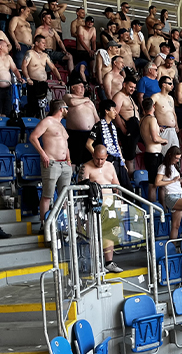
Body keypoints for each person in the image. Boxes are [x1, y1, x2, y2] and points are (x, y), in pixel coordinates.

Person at [77, 145, 123, 273]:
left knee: (110, 234)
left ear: (106, 157)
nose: (99, 162)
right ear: (93, 156)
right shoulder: (85, 167)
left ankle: (109, 262)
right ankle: (97, 263)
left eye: (102, 159)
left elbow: (116, 185)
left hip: (110, 205)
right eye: (97, 159)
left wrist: (120, 199)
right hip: (94, 207)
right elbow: (81, 189)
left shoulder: (110, 166)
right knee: (95, 236)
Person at [29, 100, 71, 236]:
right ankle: (44, 225)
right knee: (47, 195)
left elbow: (65, 144)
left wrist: (69, 160)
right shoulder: (48, 121)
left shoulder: (61, 125)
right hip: (51, 162)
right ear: (61, 109)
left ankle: (63, 225)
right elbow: (33, 137)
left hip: (64, 163)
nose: (68, 110)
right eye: (66, 107)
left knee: (64, 197)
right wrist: (43, 154)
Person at [86, 99, 131, 190]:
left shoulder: (113, 126)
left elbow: (116, 145)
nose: (115, 112)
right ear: (106, 111)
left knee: (127, 186)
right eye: (113, 109)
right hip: (107, 160)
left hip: (117, 159)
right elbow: (88, 144)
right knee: (111, 186)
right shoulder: (98, 126)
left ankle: (131, 203)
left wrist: (123, 161)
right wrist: (99, 158)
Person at [155, 146, 182, 239]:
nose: (177, 160)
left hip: (178, 195)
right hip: (171, 196)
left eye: (179, 158)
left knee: (175, 226)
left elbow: (173, 181)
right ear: (170, 155)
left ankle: (172, 247)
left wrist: (179, 180)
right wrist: (173, 181)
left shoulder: (173, 166)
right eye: (176, 158)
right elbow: (157, 182)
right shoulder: (163, 167)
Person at [21, 35, 63, 118]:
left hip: (43, 84)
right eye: (43, 43)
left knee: (44, 106)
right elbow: (24, 66)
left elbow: (53, 68)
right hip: (33, 83)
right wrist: (28, 78)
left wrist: (60, 79)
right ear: (36, 43)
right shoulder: (30, 53)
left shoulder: (45, 55)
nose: (45, 45)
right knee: (33, 106)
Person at [64, 78, 98, 168]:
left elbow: (96, 117)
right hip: (75, 134)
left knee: (89, 160)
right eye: (80, 86)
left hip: (90, 134)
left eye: (83, 87)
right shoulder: (68, 96)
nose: (83, 88)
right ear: (73, 88)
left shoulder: (89, 101)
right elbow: (72, 102)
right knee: (74, 160)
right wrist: (85, 99)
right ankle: (71, 180)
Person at [140, 97, 168, 202]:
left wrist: (157, 129)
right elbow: (155, 138)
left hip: (149, 153)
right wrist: (164, 140)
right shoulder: (152, 119)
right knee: (154, 184)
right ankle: (155, 210)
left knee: (157, 183)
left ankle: (161, 208)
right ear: (154, 106)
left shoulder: (142, 120)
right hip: (154, 155)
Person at [113, 77, 140, 176]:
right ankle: (129, 176)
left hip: (135, 128)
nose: (132, 89)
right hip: (127, 129)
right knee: (129, 155)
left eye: (134, 87)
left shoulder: (129, 97)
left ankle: (136, 175)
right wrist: (123, 129)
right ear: (124, 85)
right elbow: (115, 114)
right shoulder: (119, 96)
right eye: (130, 87)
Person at [151, 76, 179, 155]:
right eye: (170, 84)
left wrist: (176, 125)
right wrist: (156, 126)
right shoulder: (156, 96)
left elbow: (173, 113)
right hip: (163, 129)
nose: (172, 86)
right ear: (163, 84)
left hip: (173, 130)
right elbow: (148, 111)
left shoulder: (171, 98)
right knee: (165, 155)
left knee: (176, 154)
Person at [0, 39, 23, 116]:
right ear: (1, 47)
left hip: (7, 88)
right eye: (6, 46)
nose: (8, 48)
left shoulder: (9, 57)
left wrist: (19, 77)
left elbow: (15, 69)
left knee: (6, 110)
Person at [8, 5, 32, 70]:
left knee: (28, 67)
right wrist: (15, 42)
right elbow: (11, 30)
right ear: (22, 10)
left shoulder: (28, 23)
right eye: (28, 11)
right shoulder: (16, 19)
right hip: (20, 45)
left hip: (29, 47)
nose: (29, 13)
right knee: (20, 66)